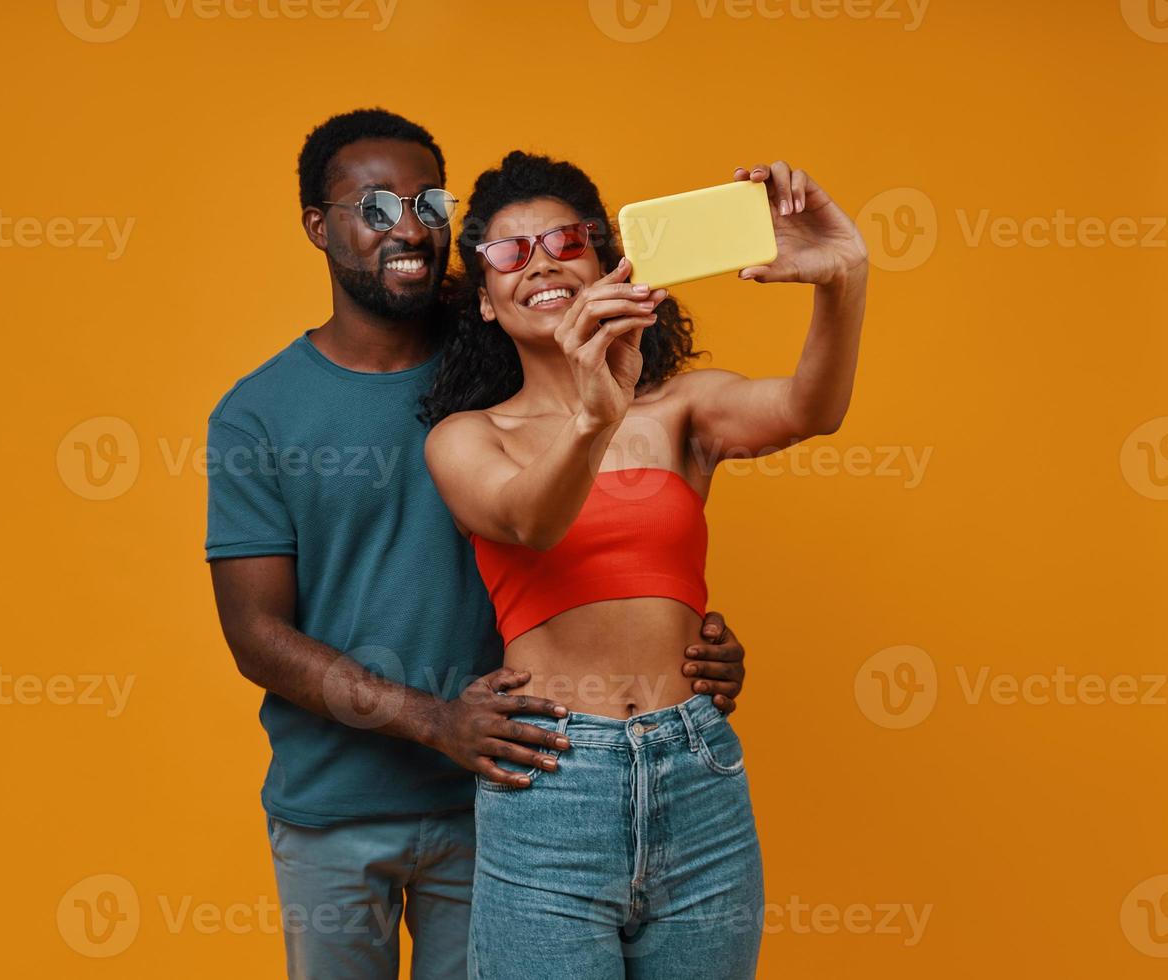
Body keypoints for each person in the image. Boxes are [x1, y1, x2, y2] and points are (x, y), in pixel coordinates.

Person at [205, 109, 752, 980]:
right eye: (375, 207)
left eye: (430, 200)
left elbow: (617, 513)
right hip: (338, 804)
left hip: (515, 791)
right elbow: (255, 635)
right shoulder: (257, 415)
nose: (411, 226)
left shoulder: (517, 345)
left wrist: (681, 646)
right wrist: (437, 721)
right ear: (318, 226)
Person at [421, 151, 868, 978]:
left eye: (566, 241)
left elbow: (814, 408)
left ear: (609, 264)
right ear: (483, 302)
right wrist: (594, 413)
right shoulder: (468, 439)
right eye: (510, 254)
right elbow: (529, 520)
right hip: (553, 785)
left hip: (695, 772)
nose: (544, 263)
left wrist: (842, 279)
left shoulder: (681, 411)